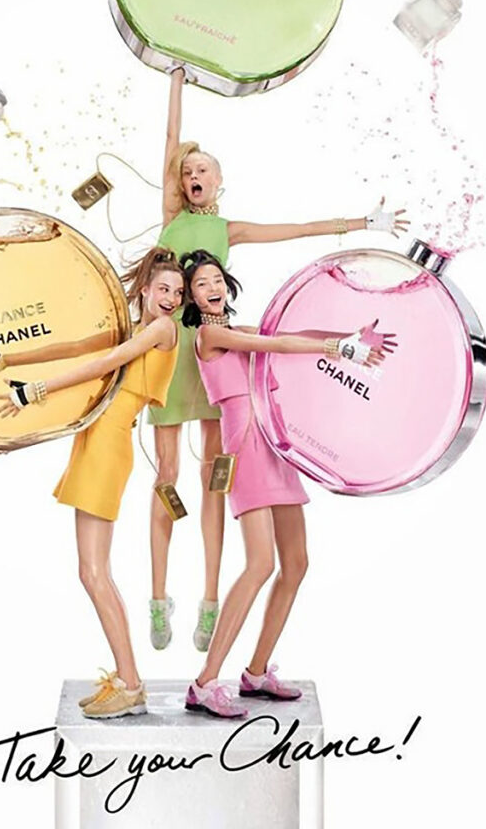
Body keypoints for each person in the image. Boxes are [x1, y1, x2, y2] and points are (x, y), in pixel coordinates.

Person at [148, 68, 409, 655]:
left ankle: (210, 599)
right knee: (165, 474)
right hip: (172, 353)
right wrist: (176, 81)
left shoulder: (227, 230)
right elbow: (170, 141)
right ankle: (159, 596)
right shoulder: (172, 217)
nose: (193, 176)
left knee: (214, 478)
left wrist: (363, 223)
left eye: (202, 170)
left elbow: (297, 230)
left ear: (219, 180)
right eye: (187, 172)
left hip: (217, 360)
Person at [0, 248, 183, 719]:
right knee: (94, 571)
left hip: (107, 447)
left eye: (178, 292)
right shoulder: (137, 328)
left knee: (93, 571)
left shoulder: (163, 330)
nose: (171, 298)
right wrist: (8, 360)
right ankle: (127, 679)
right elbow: (75, 347)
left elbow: (110, 362)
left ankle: (130, 684)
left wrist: (36, 390)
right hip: (95, 442)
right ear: (145, 290)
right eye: (164, 288)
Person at [178, 250, 396, 718]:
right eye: (201, 284)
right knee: (260, 563)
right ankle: (204, 683)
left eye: (216, 279)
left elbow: (287, 335)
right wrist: (336, 349)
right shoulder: (209, 335)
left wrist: (347, 338)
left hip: (275, 444)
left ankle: (256, 674)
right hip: (245, 445)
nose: (212, 288)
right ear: (191, 298)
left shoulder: (241, 330)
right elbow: (274, 344)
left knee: (295, 563)